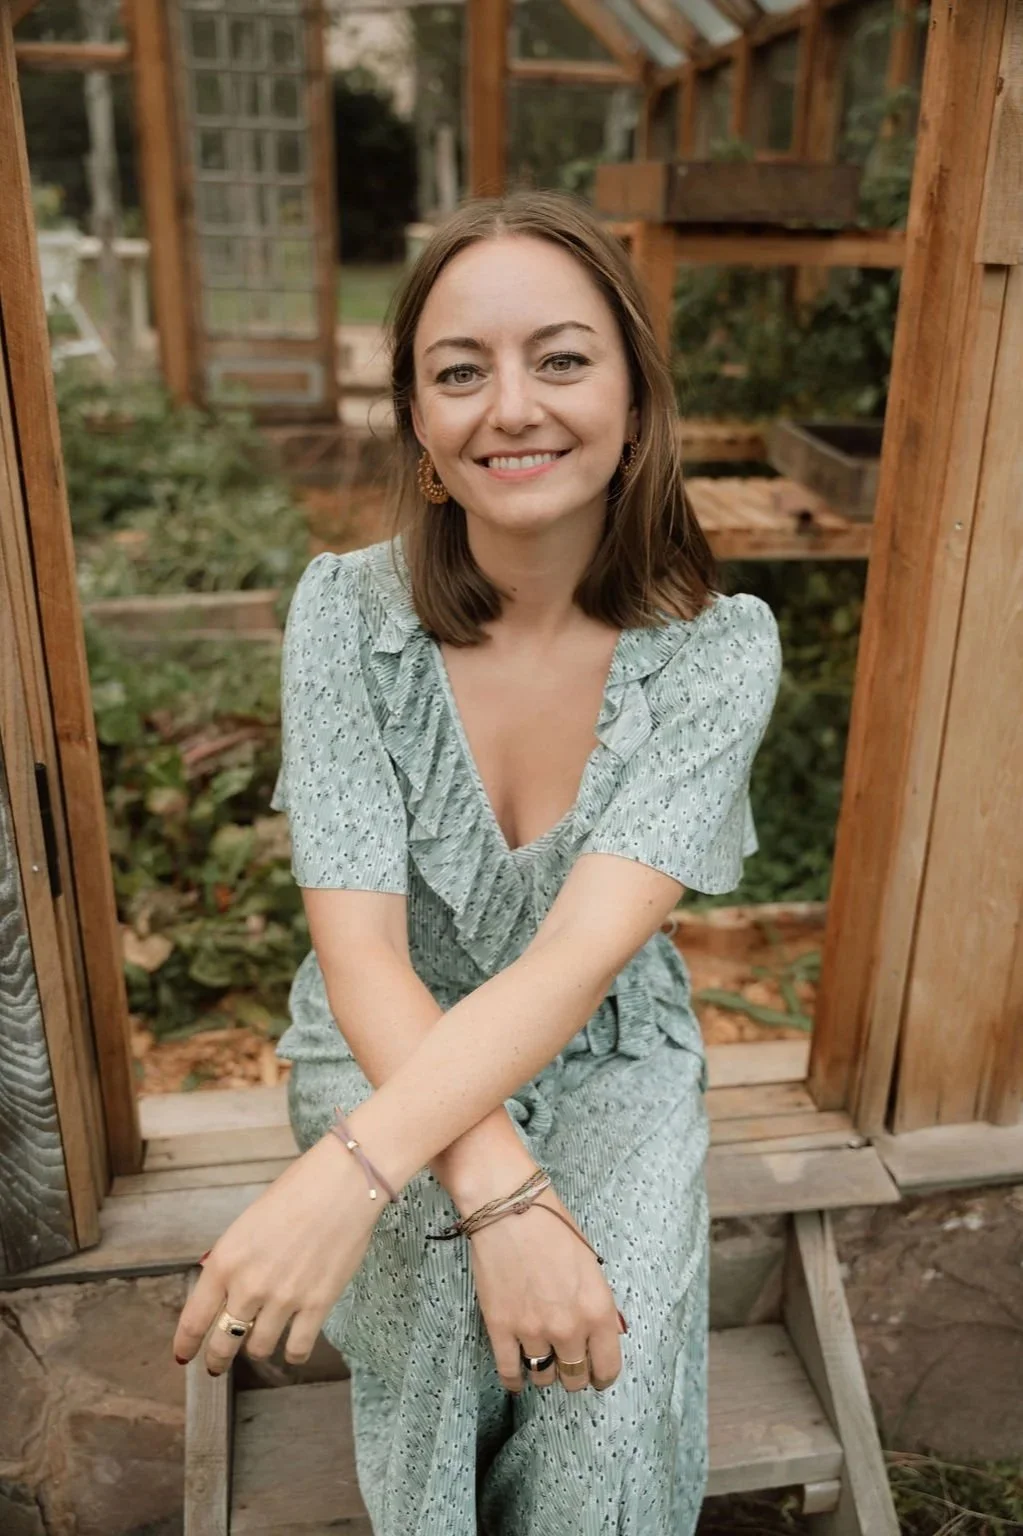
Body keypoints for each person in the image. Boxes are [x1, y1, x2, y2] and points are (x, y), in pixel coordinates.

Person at [172, 189, 782, 1535]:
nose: (509, 405)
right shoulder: (342, 615)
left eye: (559, 359)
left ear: (633, 399)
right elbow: (362, 952)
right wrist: (486, 1188)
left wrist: (347, 1175)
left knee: (597, 1381)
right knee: (444, 1340)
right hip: (382, 1039)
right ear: (421, 430)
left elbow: (574, 960)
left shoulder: (721, 650)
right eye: (459, 372)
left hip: (609, 1048)